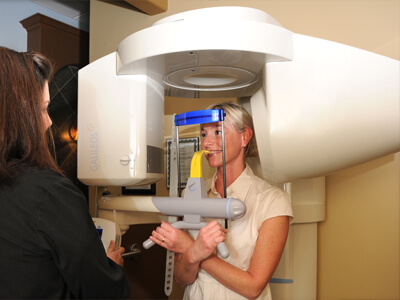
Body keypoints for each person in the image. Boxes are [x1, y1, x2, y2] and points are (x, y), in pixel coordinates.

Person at [0, 47, 129, 299]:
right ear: (18, 115)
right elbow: (105, 292)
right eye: (42, 109)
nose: (48, 122)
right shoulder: (50, 194)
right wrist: (111, 268)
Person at [150, 102, 293, 299]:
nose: (206, 143)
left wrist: (194, 250)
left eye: (217, 132)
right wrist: (191, 254)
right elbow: (182, 279)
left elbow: (253, 287)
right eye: (203, 134)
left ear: (245, 137)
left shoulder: (273, 202)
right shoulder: (190, 196)